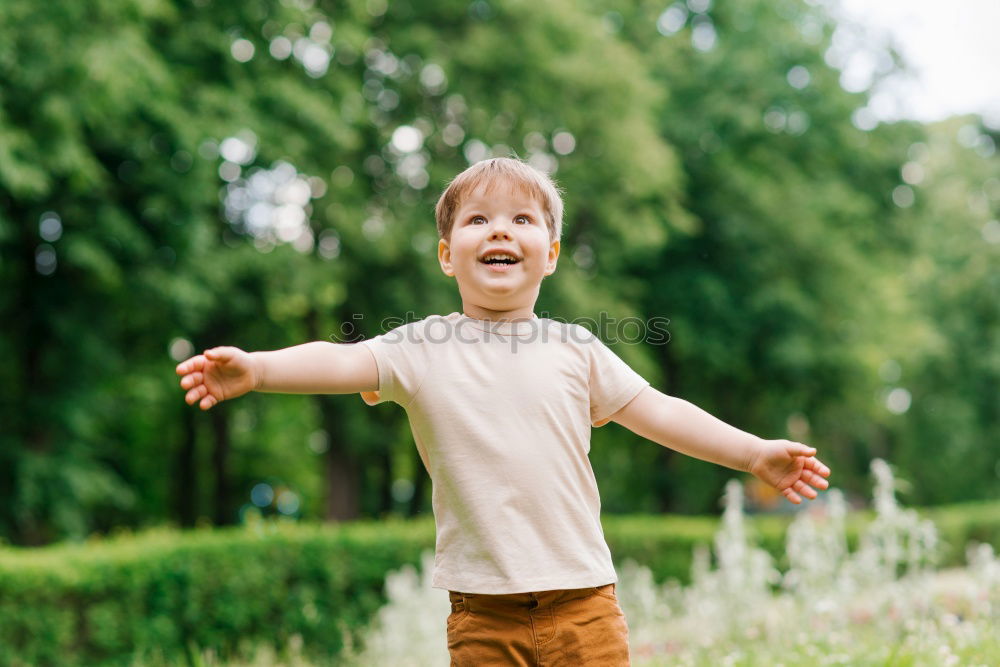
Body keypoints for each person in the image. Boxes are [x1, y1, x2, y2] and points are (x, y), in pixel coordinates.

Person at [176, 157, 831, 666]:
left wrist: (753, 452)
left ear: (548, 254)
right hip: (482, 611)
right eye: (478, 219)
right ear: (446, 253)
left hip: (584, 602)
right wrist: (259, 368)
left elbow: (660, 411)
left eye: (523, 220)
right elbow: (340, 360)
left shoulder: (577, 349)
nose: (500, 229)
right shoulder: (420, 347)